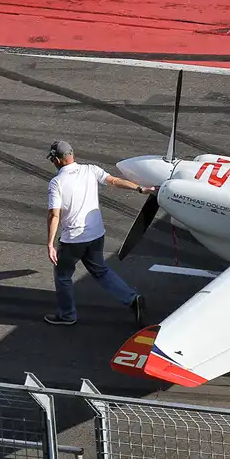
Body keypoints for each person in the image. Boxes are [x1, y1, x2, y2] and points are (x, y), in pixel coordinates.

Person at [45, 140, 156, 327]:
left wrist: (50, 244)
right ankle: (132, 299)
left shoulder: (56, 183)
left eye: (52, 159)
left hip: (73, 240)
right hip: (96, 235)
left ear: (57, 160)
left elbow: (54, 214)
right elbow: (114, 181)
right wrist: (140, 188)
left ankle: (67, 315)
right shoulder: (91, 170)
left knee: (63, 276)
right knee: (101, 271)